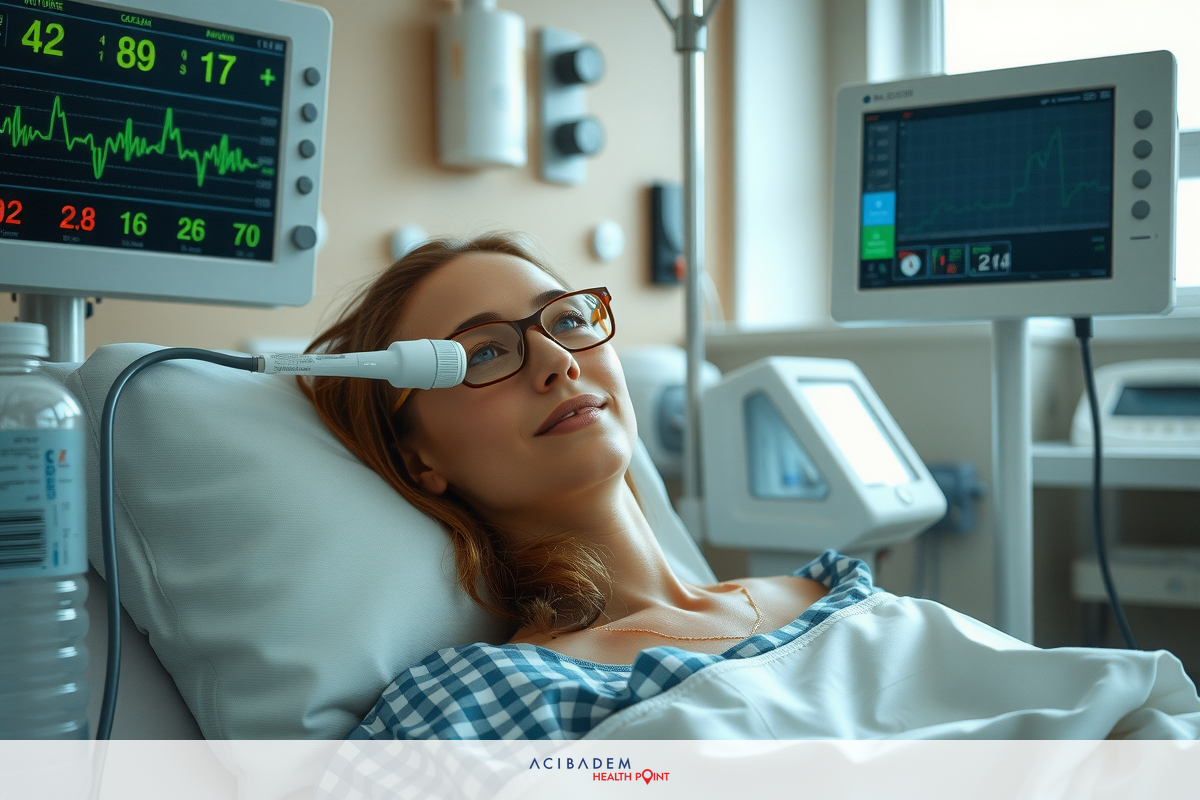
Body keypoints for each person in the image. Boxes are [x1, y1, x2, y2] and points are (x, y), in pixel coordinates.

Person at [301, 232, 1200, 741]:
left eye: (570, 320)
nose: (553, 361)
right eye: (484, 352)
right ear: (421, 460)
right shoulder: (476, 700)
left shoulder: (831, 592)